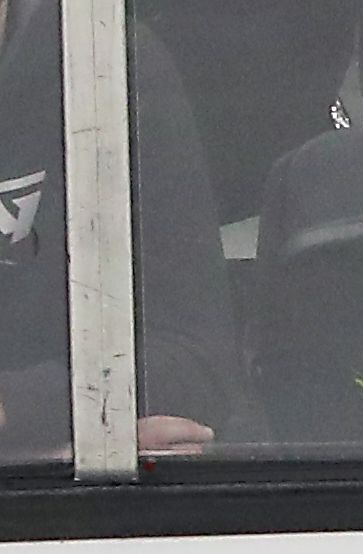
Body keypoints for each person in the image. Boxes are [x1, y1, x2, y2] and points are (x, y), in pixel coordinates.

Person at [0, 0, 256, 461]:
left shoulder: (100, 58)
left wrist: (51, 441)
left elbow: (199, 366)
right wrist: (71, 446)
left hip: (71, 515)